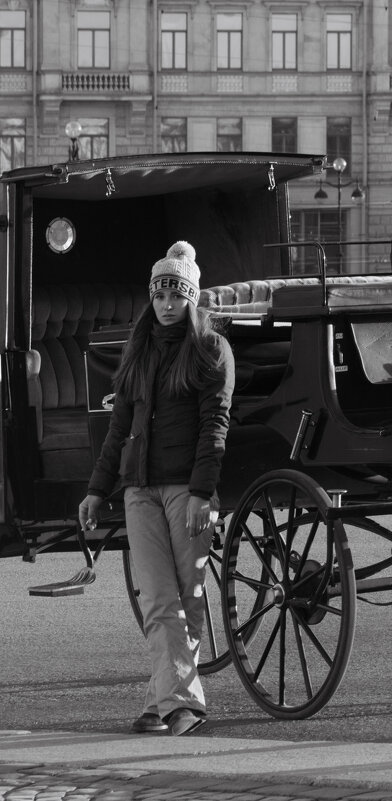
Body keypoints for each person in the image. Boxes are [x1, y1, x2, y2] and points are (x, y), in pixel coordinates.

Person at [78, 241, 234, 737]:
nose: (167, 304)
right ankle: (182, 706)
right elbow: (117, 428)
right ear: (152, 297)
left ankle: (160, 701)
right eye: (160, 295)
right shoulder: (138, 349)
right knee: (158, 597)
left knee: (186, 596)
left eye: (177, 295)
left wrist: (201, 493)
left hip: (187, 490)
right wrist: (96, 490)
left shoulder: (211, 349)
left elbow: (215, 426)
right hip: (139, 490)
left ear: (192, 298)